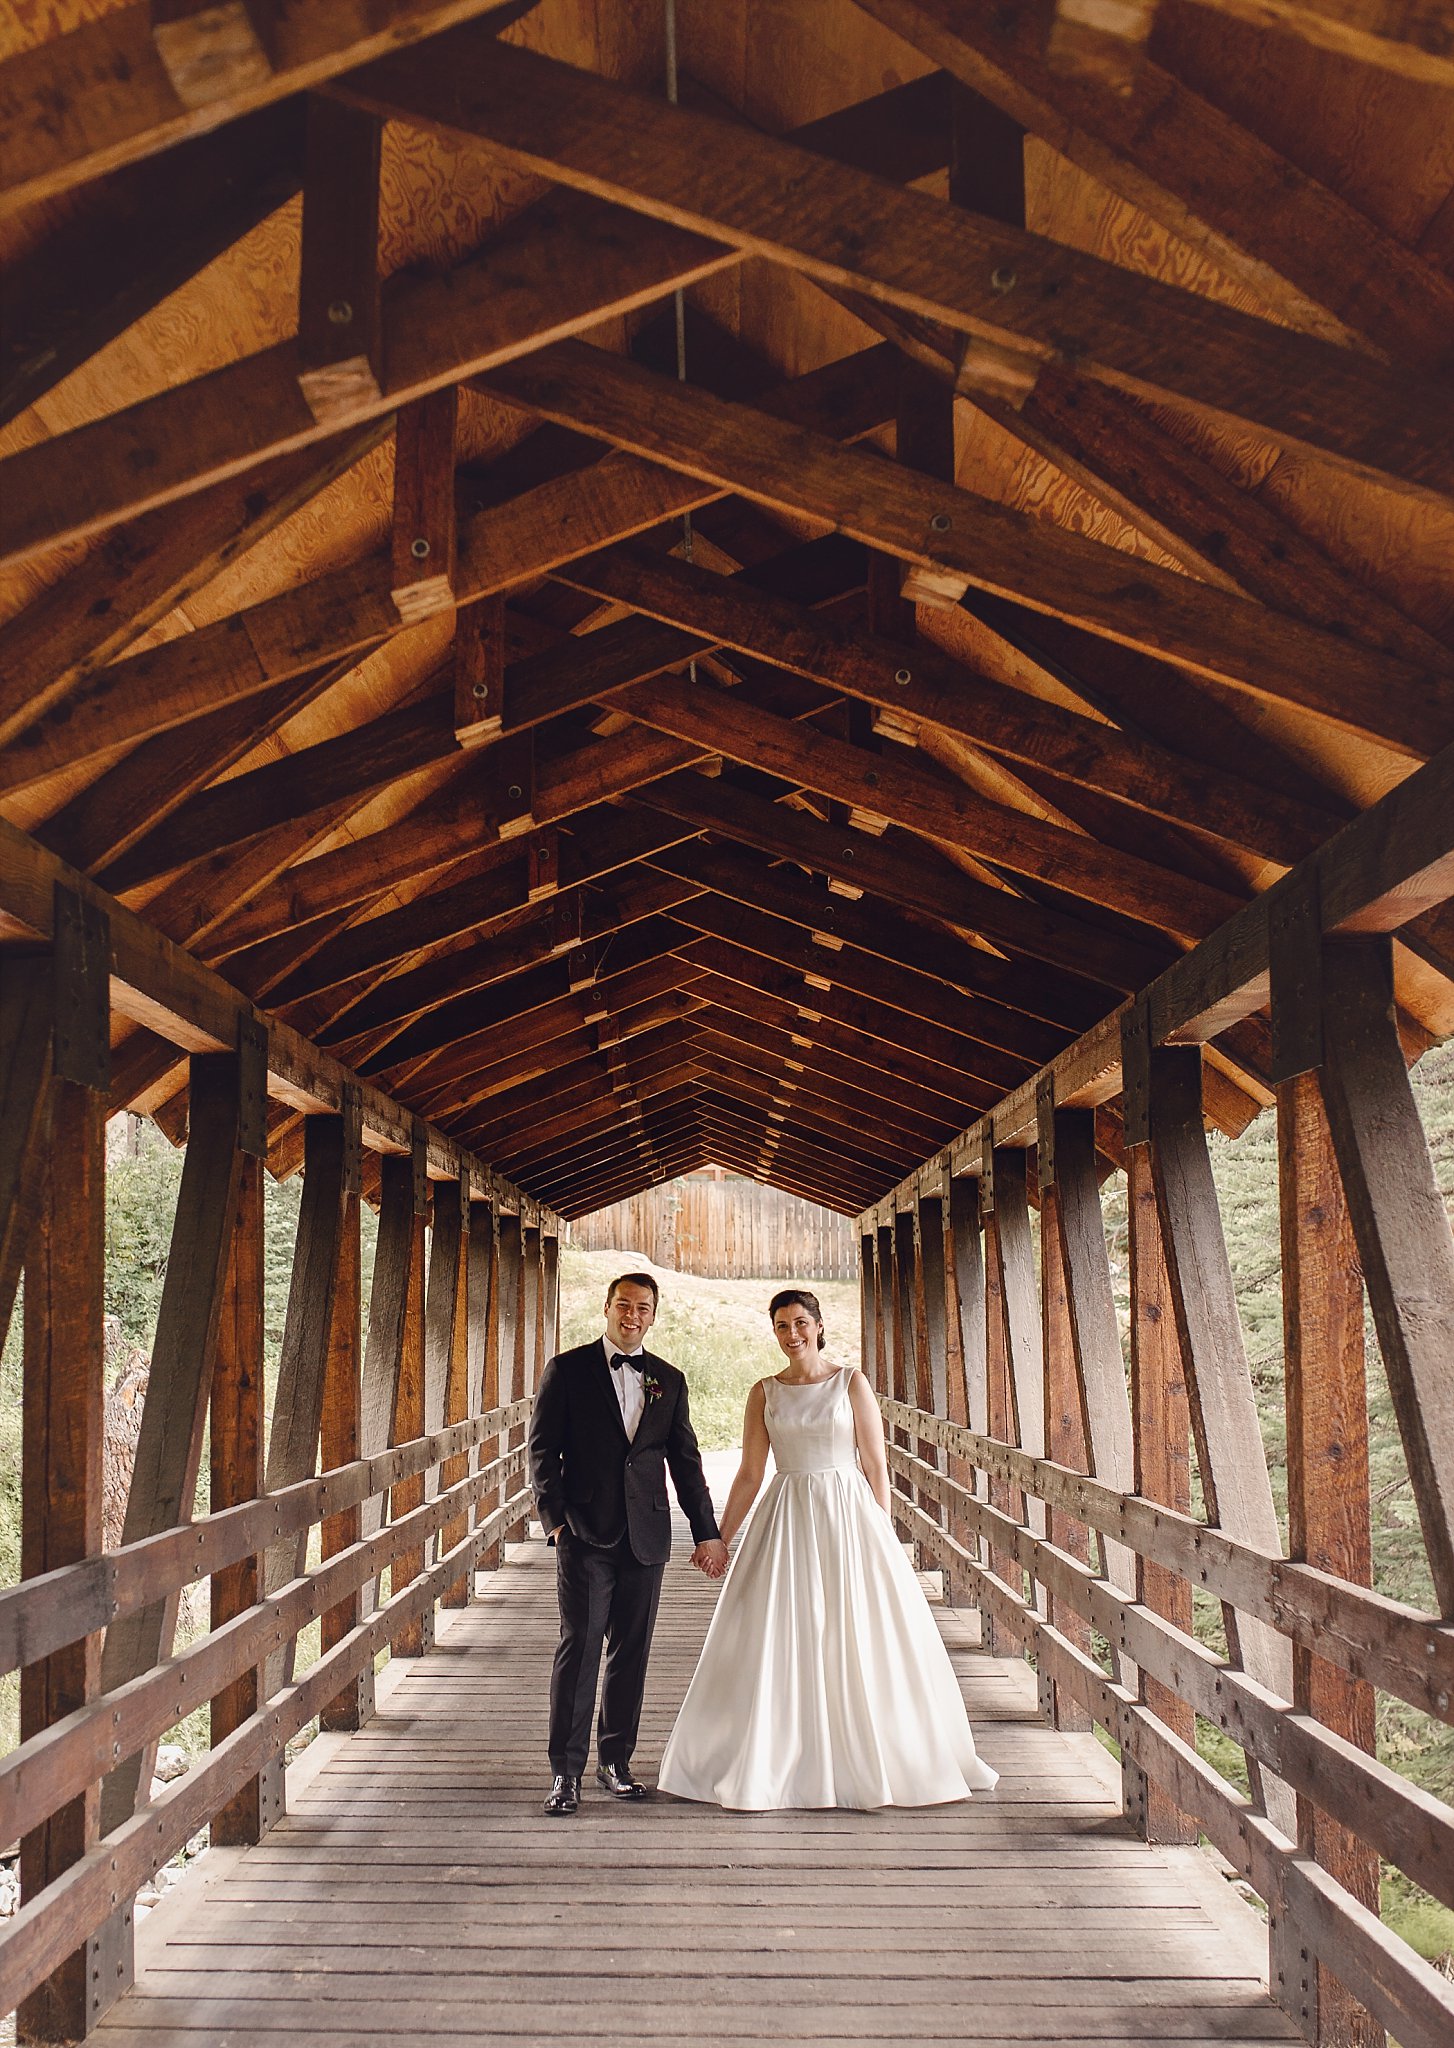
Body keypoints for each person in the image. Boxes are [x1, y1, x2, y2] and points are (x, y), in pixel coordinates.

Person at [657, 1287, 999, 1811]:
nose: (791, 1334)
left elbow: (875, 1464)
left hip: (848, 1513)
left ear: (818, 1325)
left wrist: (882, 1532)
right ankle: (779, 1754)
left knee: (855, 1627)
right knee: (782, 1627)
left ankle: (872, 1754)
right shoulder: (764, 1393)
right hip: (787, 1513)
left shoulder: (850, 1382)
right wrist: (719, 1538)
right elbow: (750, 1474)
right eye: (781, 1326)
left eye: (800, 1323)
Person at [528, 1271, 728, 1816]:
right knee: (580, 1648)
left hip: (647, 1537)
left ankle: (615, 1762)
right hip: (584, 1533)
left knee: (631, 1653)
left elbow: (686, 1463)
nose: (632, 1316)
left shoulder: (669, 1380)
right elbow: (542, 1452)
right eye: (623, 1305)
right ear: (607, 1308)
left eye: (642, 1308)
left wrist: (706, 1532)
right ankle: (565, 1773)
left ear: (653, 1316)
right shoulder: (567, 1370)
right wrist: (556, 1522)